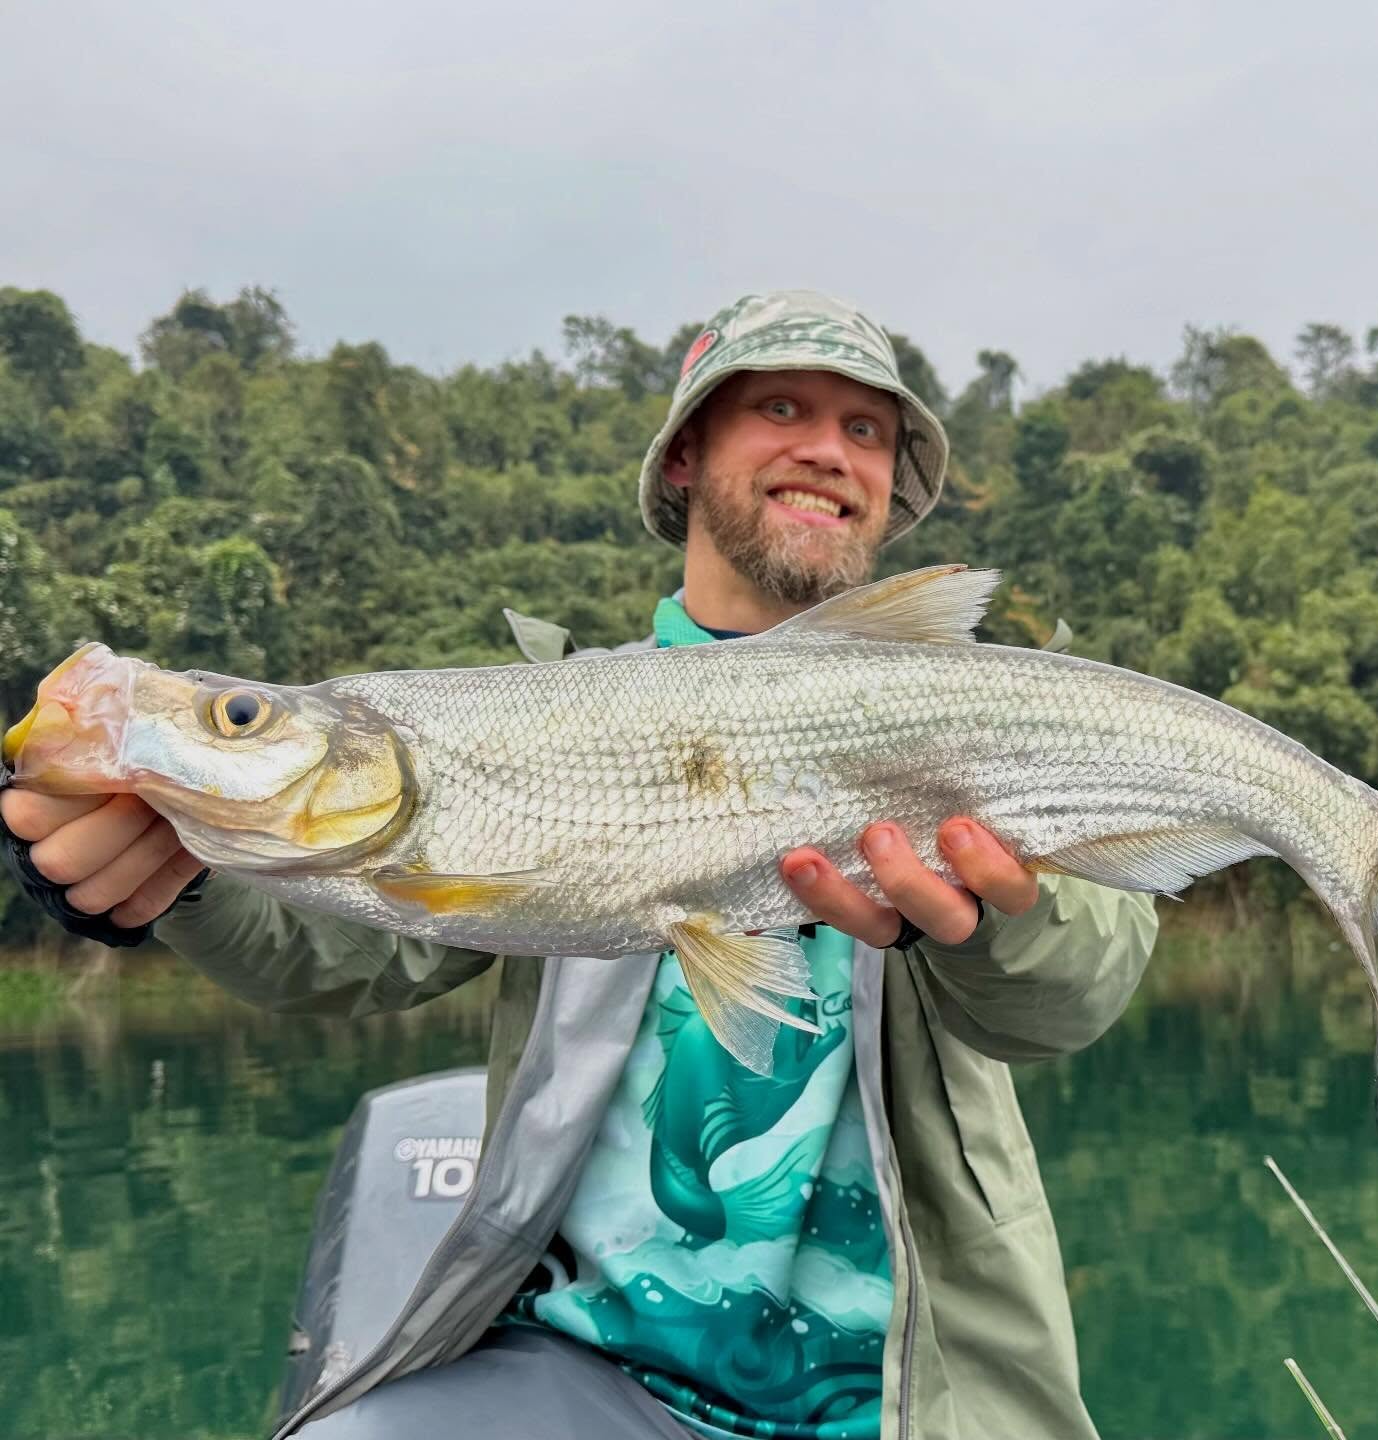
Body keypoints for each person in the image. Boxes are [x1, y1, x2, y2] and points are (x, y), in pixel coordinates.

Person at [0, 291, 1157, 1440]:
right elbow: (353, 956)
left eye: (868, 431)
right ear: (684, 460)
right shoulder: (537, 721)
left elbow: (1078, 989)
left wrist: (998, 910)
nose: (828, 450)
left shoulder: (973, 715)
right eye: (783, 408)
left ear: (891, 489)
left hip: (922, 1397)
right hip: (586, 1374)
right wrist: (183, 880)